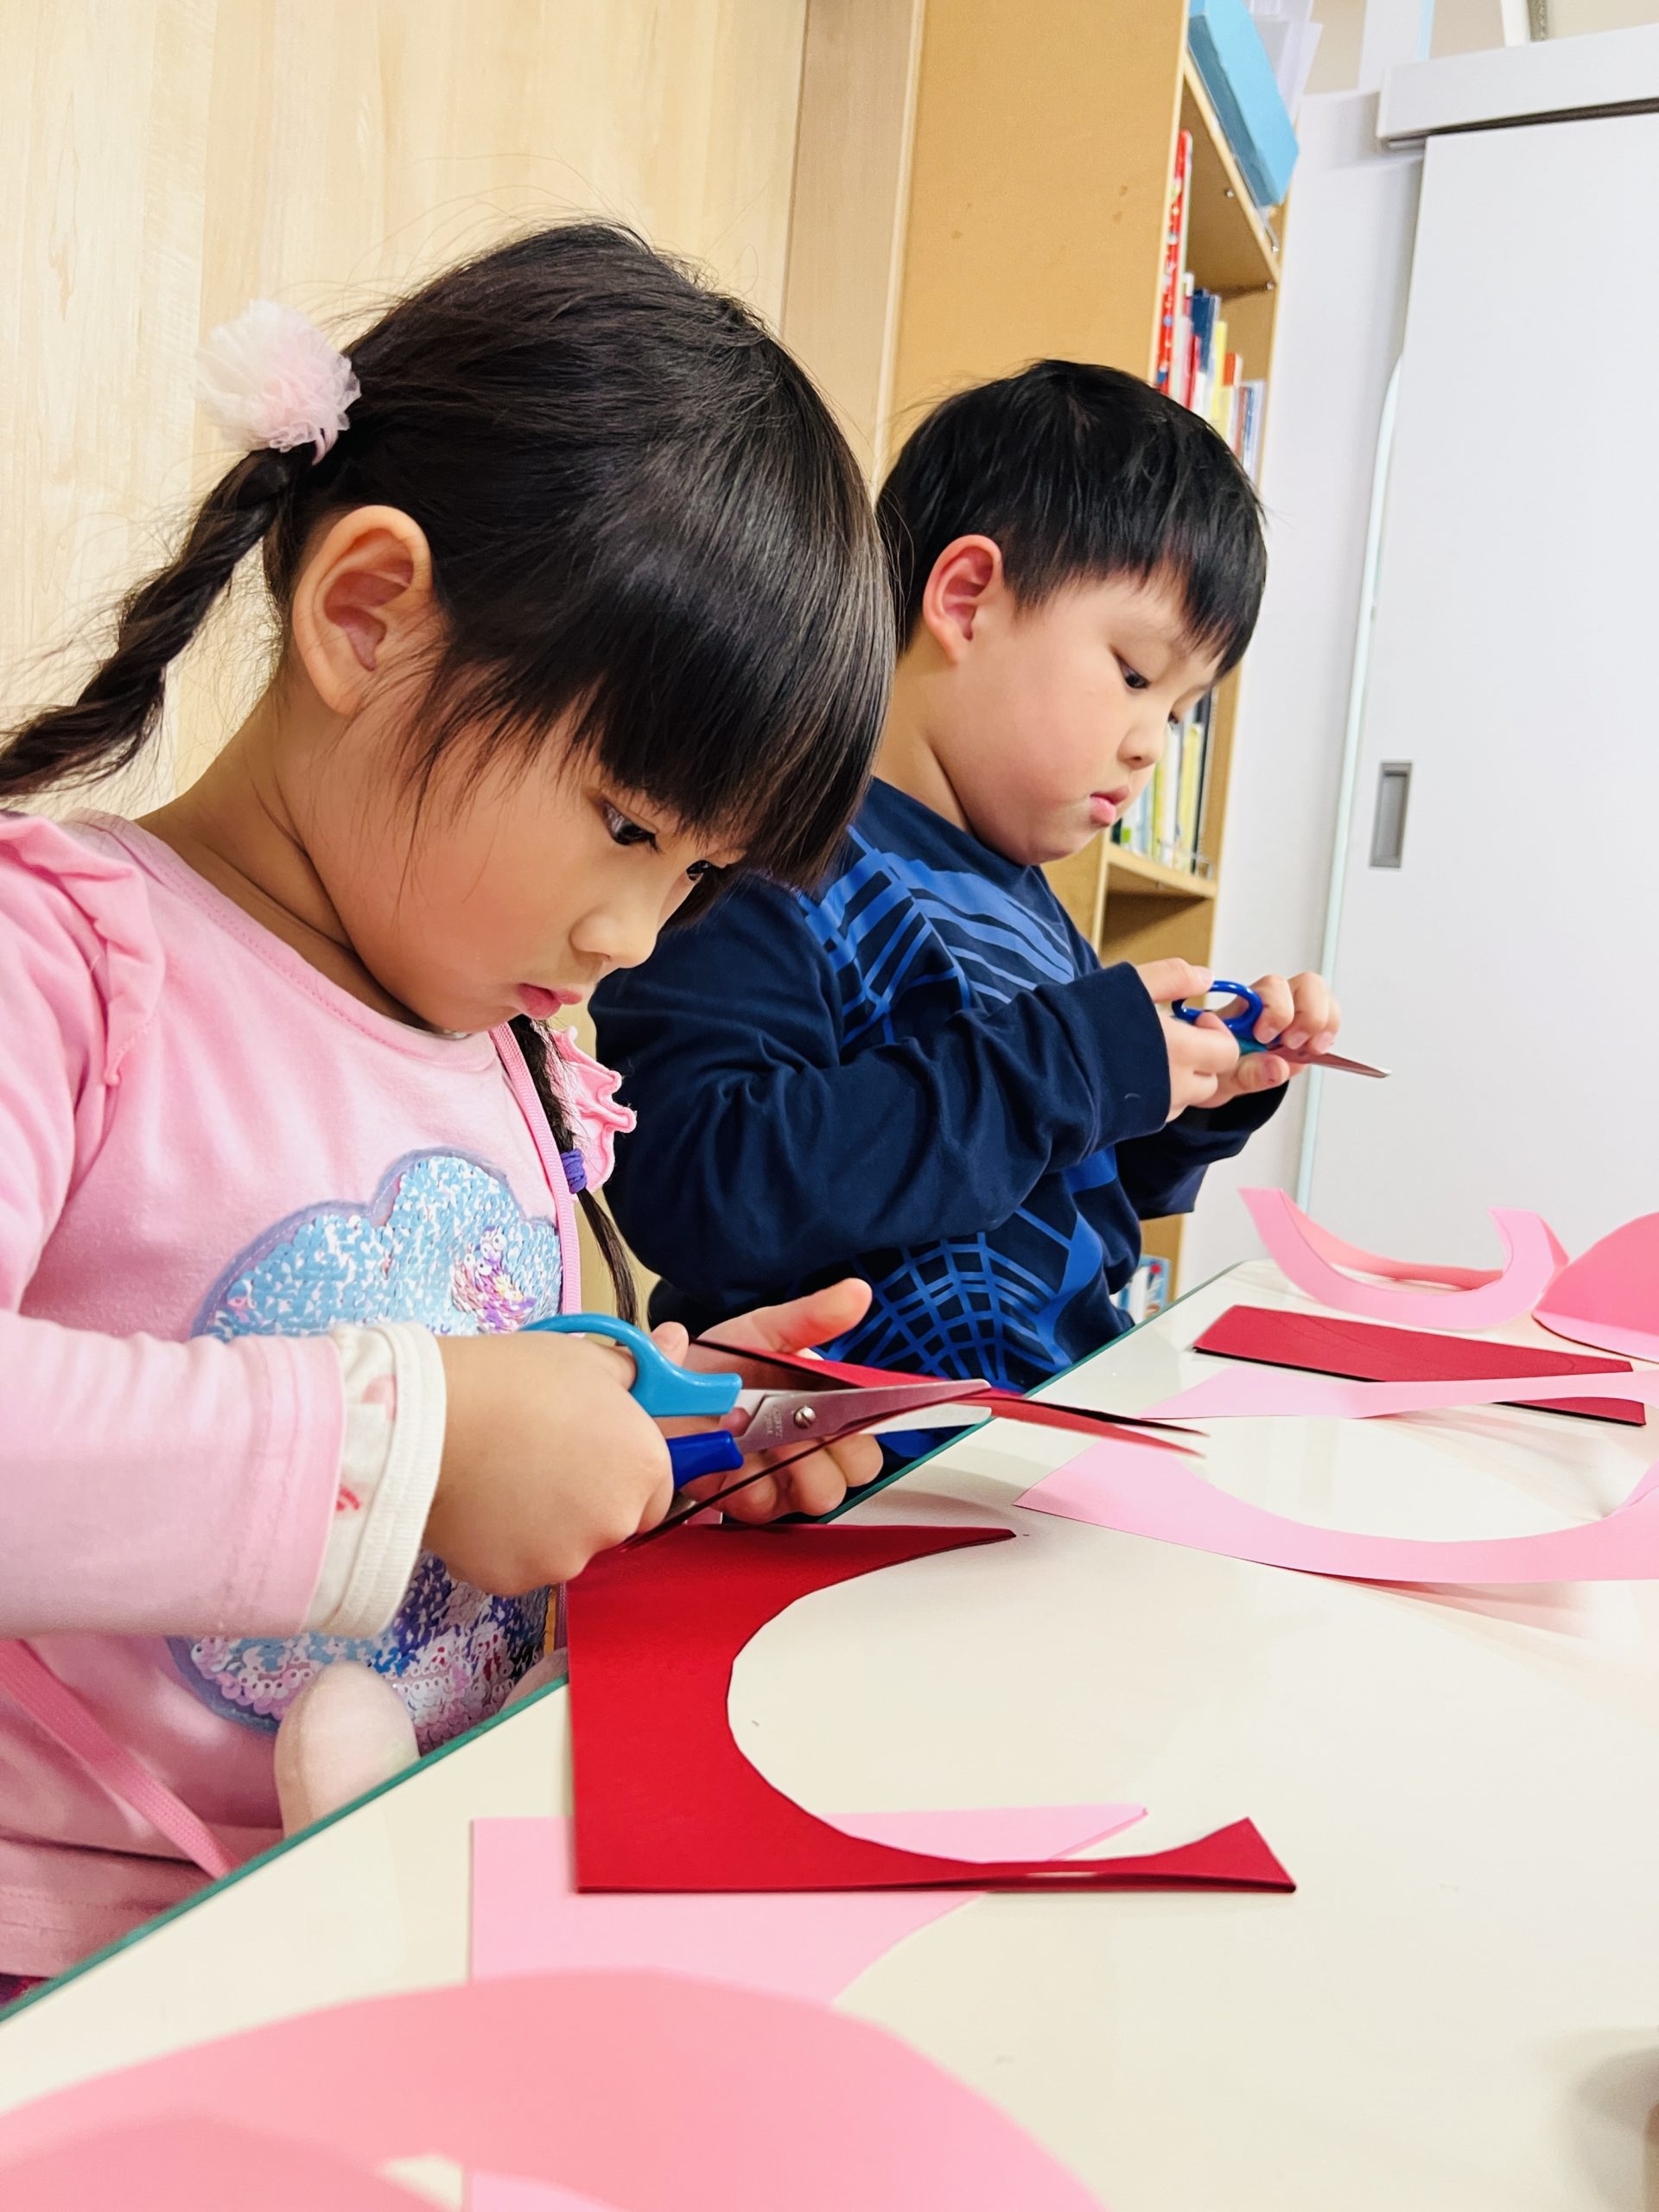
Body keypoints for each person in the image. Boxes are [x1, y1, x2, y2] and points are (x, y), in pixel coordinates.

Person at [0, 223, 890, 1989]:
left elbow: (483, 1432)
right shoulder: (70, 965)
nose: (632, 933)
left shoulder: (511, 1041)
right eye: (627, 825)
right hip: (79, 1983)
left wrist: (655, 1436)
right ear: (369, 616)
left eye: (698, 874)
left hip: (408, 1927)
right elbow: (410, 1428)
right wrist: (416, 1444)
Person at [594, 359, 1341, 1391]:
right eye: (1134, 675)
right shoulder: (767, 850)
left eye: (1179, 711)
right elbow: (699, 1183)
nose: (1151, 745)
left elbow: (1060, 1185)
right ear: (966, 598)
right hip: (851, 1460)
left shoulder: (1041, 917)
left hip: (1047, 1435)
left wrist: (1196, 1093)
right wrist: (1067, 1064)